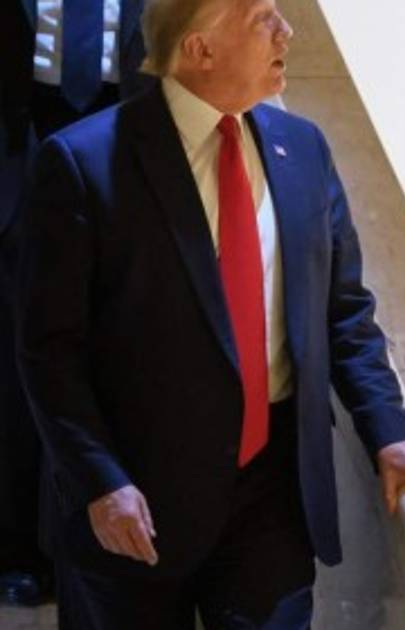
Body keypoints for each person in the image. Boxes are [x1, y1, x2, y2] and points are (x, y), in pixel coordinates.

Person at [17, 0, 405, 627]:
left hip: (271, 498)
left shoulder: (304, 149)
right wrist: (99, 478)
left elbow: (344, 315)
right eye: (262, 18)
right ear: (200, 49)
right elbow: (50, 349)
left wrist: (391, 432)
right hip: (134, 501)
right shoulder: (82, 161)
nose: (287, 31)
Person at [0, 0, 149, 607]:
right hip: (20, 142)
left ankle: (99, 544)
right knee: (17, 370)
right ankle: (20, 550)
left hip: (126, 140)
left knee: (114, 361)